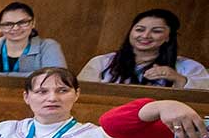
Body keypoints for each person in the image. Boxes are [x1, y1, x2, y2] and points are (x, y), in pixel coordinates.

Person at [78, 8, 209, 89]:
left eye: (156, 31)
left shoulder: (189, 67)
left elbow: (201, 101)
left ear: (168, 37)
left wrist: (178, 78)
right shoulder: (101, 62)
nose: (145, 36)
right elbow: (81, 94)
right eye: (139, 29)